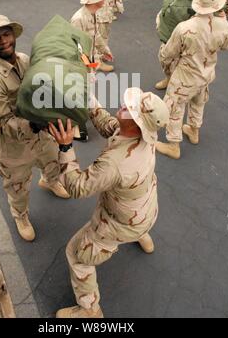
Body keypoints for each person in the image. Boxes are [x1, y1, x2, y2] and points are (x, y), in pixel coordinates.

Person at [48, 88, 169, 318]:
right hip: (145, 211)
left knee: (76, 254)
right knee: (136, 222)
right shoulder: (142, 136)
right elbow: (109, 125)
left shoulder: (113, 164)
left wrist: (65, 147)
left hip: (120, 222)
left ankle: (90, 309)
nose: (123, 105)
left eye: (129, 108)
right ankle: (140, 234)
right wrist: (87, 98)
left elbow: (77, 187)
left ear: (137, 123)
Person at [0, 15, 70, 241]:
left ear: (13, 35)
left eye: (6, 34)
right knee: (17, 186)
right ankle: (20, 215)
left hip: (41, 132)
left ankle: (50, 181)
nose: (3, 41)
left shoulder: (25, 60)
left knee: (52, 161)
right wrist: (36, 123)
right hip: (13, 146)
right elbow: (2, 123)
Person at [156, 0, 228, 159]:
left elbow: (168, 53)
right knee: (199, 102)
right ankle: (193, 130)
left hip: (185, 76)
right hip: (206, 74)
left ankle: (173, 145)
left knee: (174, 106)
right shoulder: (223, 24)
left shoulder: (184, 27)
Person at [155, 0, 200, 90]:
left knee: (167, 59)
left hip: (175, 38)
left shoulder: (178, 0)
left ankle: (174, 84)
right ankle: (170, 79)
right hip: (186, 39)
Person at [71, 0, 114, 72]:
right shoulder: (78, 19)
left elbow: (96, 35)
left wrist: (105, 50)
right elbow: (76, 46)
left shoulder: (93, 13)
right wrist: (89, 66)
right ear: (94, 1)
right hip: (81, 65)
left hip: (89, 58)